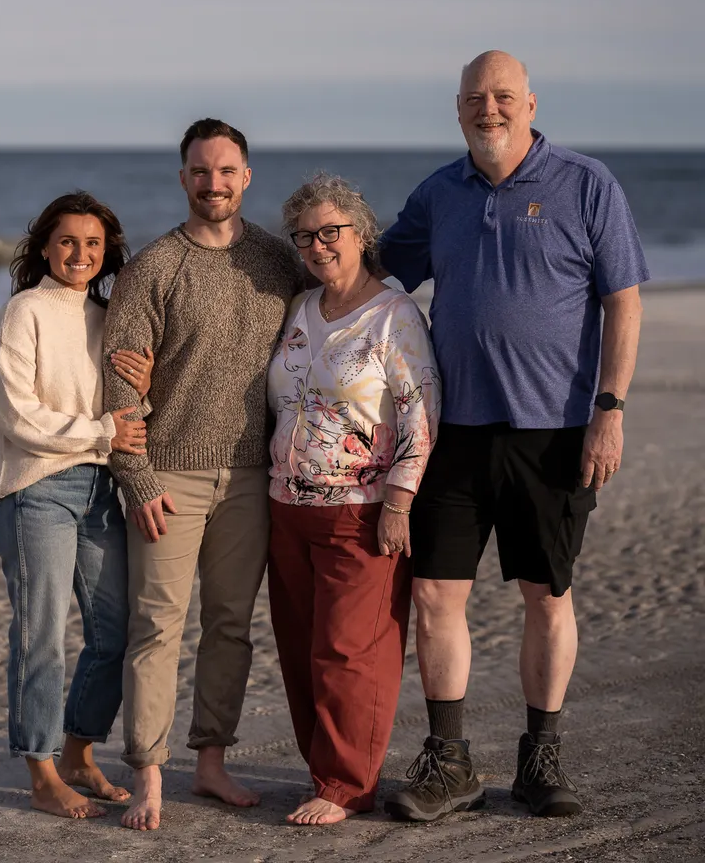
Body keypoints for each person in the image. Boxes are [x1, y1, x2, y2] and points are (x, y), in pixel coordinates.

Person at [379, 51, 648, 822]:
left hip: (556, 433)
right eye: (475, 98)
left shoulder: (586, 184)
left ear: (530, 103)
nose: (488, 110)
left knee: (547, 596)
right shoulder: (439, 194)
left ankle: (541, 758)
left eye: (503, 97)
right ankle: (451, 762)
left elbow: (622, 302)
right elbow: (372, 273)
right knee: (435, 595)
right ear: (457, 108)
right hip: (453, 432)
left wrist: (611, 409)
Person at [103, 118, 303, 832]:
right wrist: (138, 478)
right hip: (169, 480)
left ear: (246, 177)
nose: (213, 183)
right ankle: (148, 774)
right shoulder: (155, 267)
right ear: (182, 178)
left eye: (226, 171)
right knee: (157, 626)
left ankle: (211, 762)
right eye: (200, 171)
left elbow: (334, 314)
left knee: (229, 626)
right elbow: (121, 380)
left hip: (253, 476)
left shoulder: (279, 263)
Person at [267, 174, 440, 826]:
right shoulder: (300, 308)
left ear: (362, 234)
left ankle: (346, 785)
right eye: (305, 236)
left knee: (348, 650)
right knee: (300, 647)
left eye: (330, 231)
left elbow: (421, 410)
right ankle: (324, 771)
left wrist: (400, 499)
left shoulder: (394, 316)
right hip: (285, 508)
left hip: (361, 509)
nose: (318, 245)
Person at [0, 191, 154, 819]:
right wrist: (103, 433)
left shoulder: (110, 316)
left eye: (93, 243)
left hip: (100, 488)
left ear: (108, 250)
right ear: (44, 248)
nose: (80, 253)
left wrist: (145, 381)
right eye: (66, 241)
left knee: (117, 633)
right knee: (42, 636)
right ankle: (40, 769)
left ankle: (79, 752)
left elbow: (126, 407)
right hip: (36, 489)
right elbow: (15, 414)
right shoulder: (23, 311)